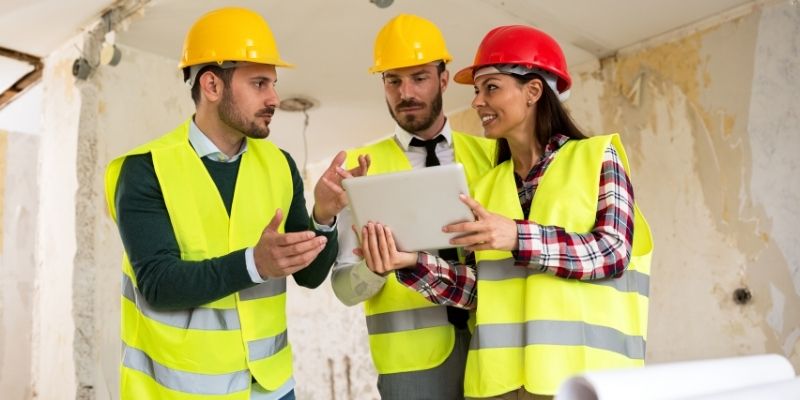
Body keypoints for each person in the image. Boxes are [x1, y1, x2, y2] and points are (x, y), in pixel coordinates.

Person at [358, 25, 654, 399]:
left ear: (533, 91)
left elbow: (612, 253)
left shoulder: (596, 157)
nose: (478, 102)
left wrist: (516, 236)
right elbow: (483, 291)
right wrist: (410, 263)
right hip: (501, 386)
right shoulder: (487, 186)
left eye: (491, 88)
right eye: (477, 91)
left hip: (583, 383)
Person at [104, 7, 367, 400]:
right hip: (177, 392)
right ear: (212, 86)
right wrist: (255, 264)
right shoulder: (145, 170)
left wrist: (324, 215)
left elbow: (309, 277)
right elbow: (158, 285)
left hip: (272, 388)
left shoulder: (279, 164)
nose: (274, 98)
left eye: (274, 84)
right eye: (259, 83)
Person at [329, 14, 496, 400]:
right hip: (410, 369)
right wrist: (372, 269)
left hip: (496, 349)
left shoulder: (493, 156)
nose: (406, 92)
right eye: (393, 80)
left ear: (443, 78)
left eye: (419, 77)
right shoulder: (357, 169)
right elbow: (343, 289)